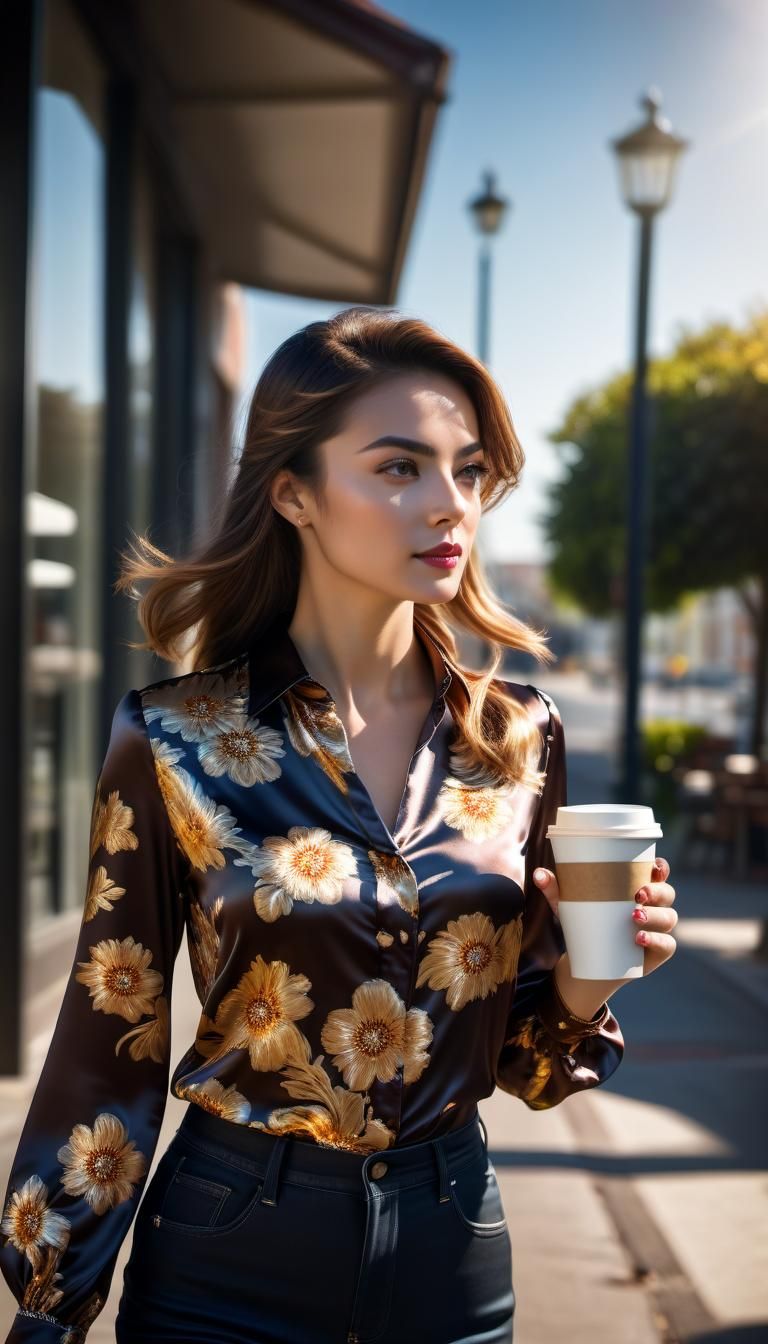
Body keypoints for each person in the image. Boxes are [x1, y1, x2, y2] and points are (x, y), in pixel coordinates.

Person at [0, 306, 678, 1344]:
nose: (450, 503)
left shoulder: (518, 737)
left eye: (468, 470)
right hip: (227, 1249)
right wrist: (51, 1303)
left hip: (453, 1247)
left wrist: (595, 978)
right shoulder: (175, 738)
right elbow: (108, 1042)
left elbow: (526, 1062)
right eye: (400, 467)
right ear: (293, 492)